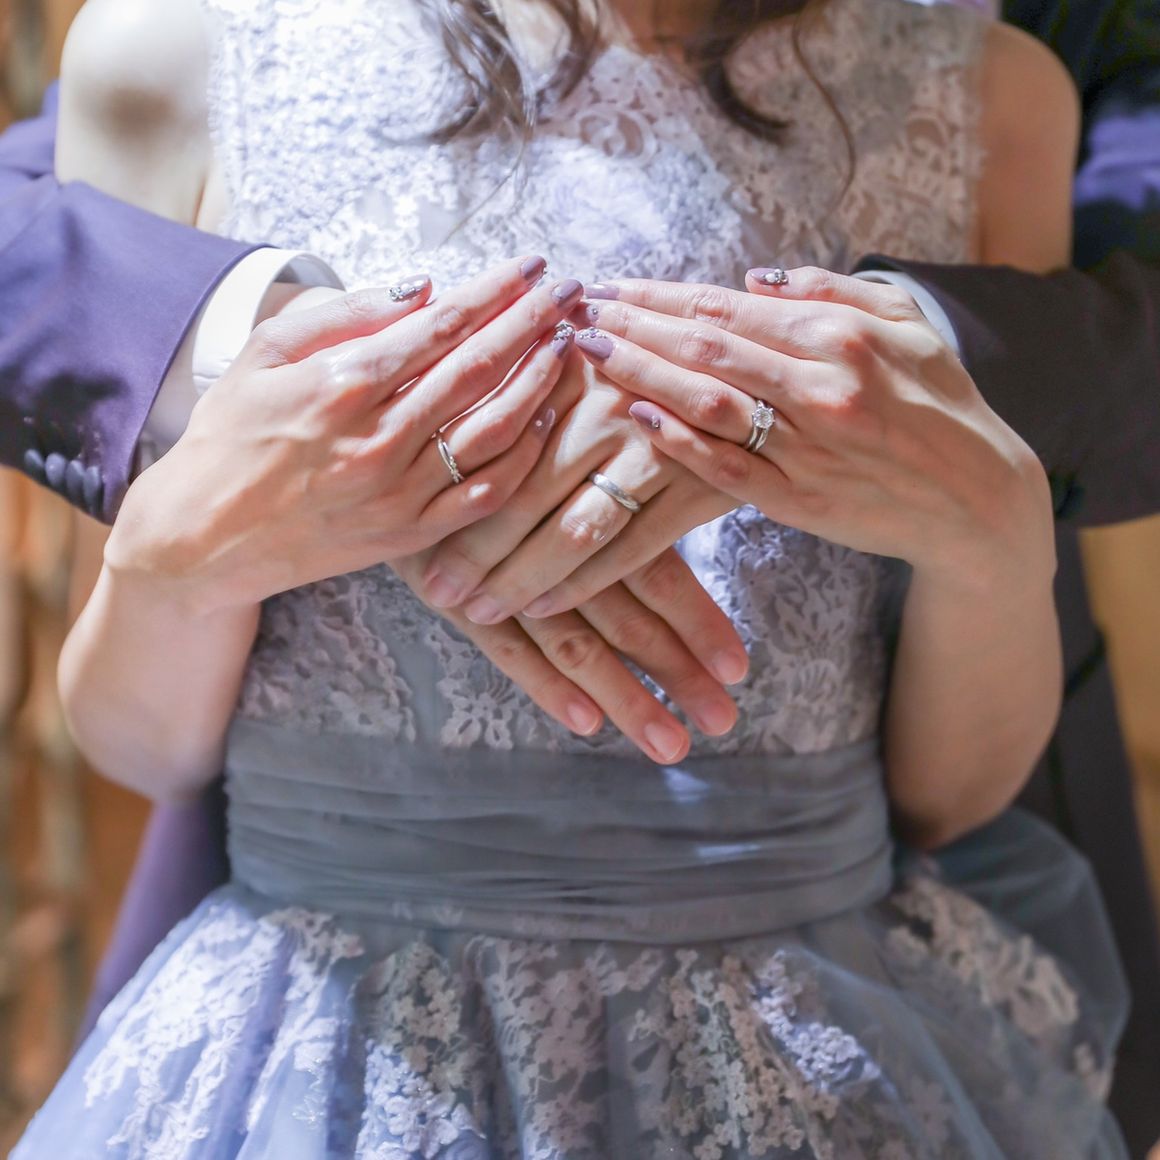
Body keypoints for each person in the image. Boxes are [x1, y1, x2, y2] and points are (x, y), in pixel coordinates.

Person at [10, 0, 1134, 1154]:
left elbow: (941, 795)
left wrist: (994, 541)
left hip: (812, 1058)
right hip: (327, 1061)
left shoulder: (988, 102)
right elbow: (144, 743)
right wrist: (176, 560)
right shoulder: (167, 62)